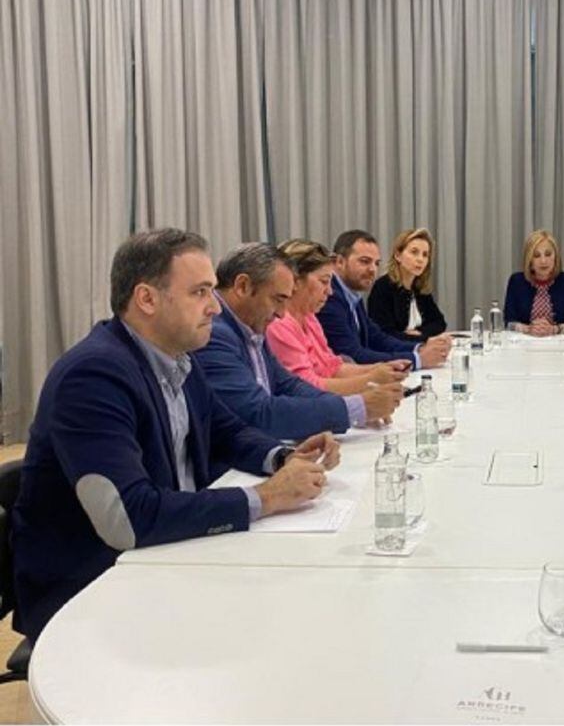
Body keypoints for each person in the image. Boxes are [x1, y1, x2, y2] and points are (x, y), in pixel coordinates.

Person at [12, 229, 342, 643]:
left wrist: (283, 456)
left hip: (169, 554)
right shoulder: (93, 376)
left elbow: (227, 431)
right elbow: (127, 520)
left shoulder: (176, 357)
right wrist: (268, 497)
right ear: (147, 299)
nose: (215, 309)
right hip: (95, 587)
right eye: (201, 292)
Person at [194, 243, 403, 440]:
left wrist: (350, 408)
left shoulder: (250, 323)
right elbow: (260, 414)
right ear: (243, 286)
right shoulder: (215, 334)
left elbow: (288, 384)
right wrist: (355, 408)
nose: (281, 313)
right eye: (278, 299)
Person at [266, 239, 411, 398]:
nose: (330, 291)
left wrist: (378, 369)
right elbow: (306, 387)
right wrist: (370, 380)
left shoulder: (309, 317)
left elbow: (332, 367)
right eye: (324, 282)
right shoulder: (278, 325)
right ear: (295, 280)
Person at [318, 230, 451, 367]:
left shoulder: (352, 295)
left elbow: (376, 337)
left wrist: (419, 348)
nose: (372, 269)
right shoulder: (329, 298)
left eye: (376, 263)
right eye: (365, 261)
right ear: (339, 262)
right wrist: (417, 359)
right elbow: (353, 356)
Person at [366, 228, 448, 342]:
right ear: (398, 255)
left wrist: (421, 333)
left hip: (418, 349)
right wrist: (421, 338)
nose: (420, 259)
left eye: (425, 255)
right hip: (393, 355)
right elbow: (384, 334)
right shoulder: (383, 287)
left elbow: (439, 322)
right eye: (414, 252)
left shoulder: (419, 288)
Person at [503, 230, 564, 335]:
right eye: (537, 256)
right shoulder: (516, 281)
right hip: (525, 343)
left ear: (556, 257)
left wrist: (553, 329)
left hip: (559, 344)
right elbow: (509, 323)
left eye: (548, 254)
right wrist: (528, 329)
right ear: (530, 261)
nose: (543, 261)